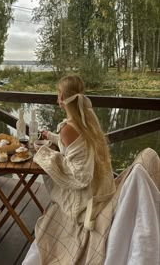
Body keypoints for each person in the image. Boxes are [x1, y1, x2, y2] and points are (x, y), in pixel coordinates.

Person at [23, 74, 117, 265]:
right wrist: (50, 136)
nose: (56, 100)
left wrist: (43, 154)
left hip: (84, 194)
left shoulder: (68, 128)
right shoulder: (88, 119)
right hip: (98, 185)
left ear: (63, 99)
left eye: (58, 95)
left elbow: (78, 175)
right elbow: (75, 145)